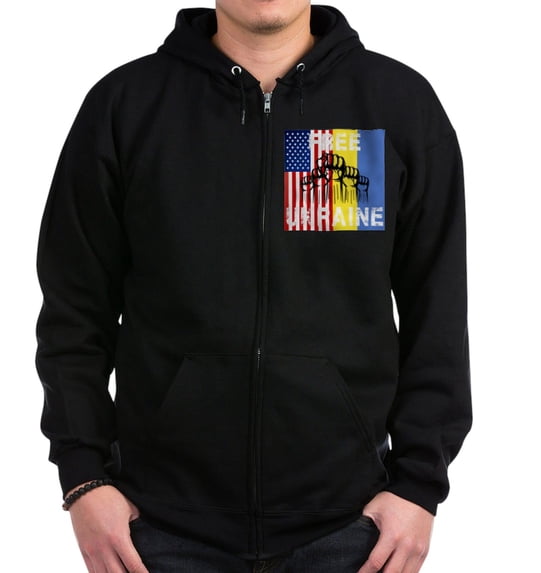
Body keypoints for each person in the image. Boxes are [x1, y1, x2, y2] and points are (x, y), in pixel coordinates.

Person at [35, 1, 472, 572]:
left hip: (351, 530)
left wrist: (418, 485)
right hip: (156, 531)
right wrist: (84, 479)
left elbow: (436, 310)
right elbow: (74, 309)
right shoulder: (127, 104)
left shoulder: (395, 104)